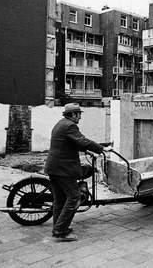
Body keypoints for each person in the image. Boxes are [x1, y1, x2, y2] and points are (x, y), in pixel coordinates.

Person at [44, 103, 112, 242]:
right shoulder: (70, 126)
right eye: (79, 114)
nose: (80, 117)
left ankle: (58, 227)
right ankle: (60, 231)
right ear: (73, 114)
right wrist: (102, 149)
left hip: (54, 168)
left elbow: (71, 143)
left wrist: (86, 151)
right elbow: (82, 140)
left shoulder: (60, 123)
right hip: (63, 170)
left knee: (60, 200)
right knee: (74, 197)